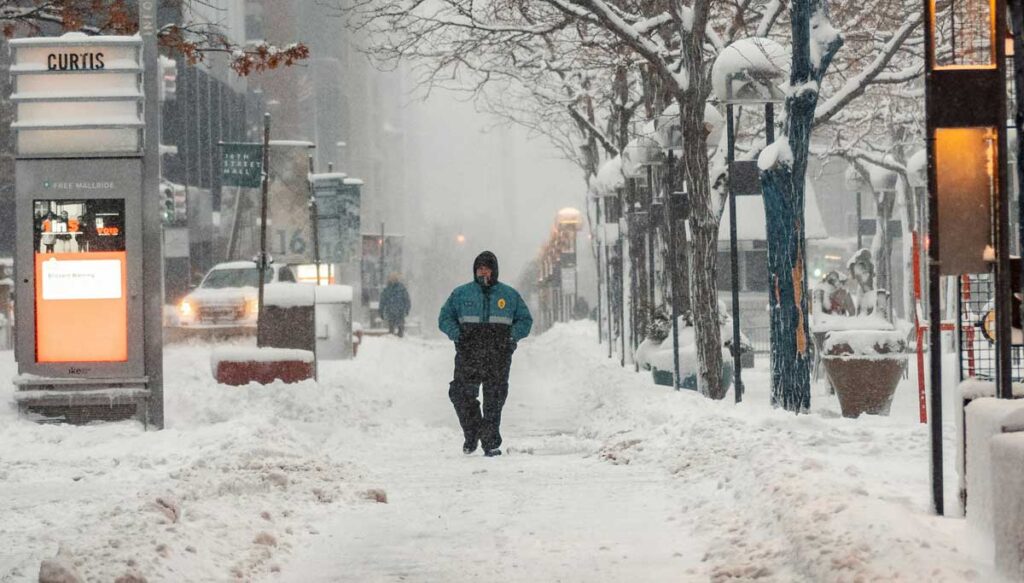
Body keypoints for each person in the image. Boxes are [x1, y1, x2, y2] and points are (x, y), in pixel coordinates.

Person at [438, 251, 533, 457]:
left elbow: (525, 320)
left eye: (486, 267)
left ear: (494, 270)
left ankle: (490, 442)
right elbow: (445, 318)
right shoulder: (461, 294)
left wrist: (511, 338)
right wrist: (458, 335)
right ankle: (472, 433)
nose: (483, 271)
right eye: (479, 268)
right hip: (468, 353)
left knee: (494, 399)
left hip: (498, 355)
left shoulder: (509, 295)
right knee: (460, 394)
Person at [379, 273, 411, 337]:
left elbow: (407, 300)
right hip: (391, 312)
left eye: (394, 278)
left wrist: (407, 309)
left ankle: (400, 339)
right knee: (391, 329)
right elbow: (382, 301)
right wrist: (381, 311)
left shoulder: (401, 289)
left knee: (400, 328)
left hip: (400, 311)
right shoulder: (387, 289)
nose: (393, 280)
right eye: (391, 278)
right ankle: (392, 341)